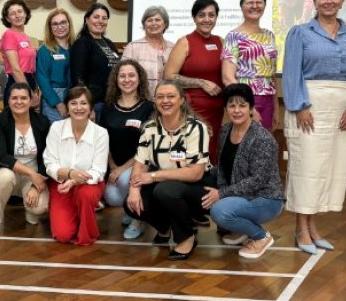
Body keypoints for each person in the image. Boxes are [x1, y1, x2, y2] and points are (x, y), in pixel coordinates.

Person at [282, 0, 346, 254]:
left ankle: (314, 227)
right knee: (307, 168)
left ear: (343, 1)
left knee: (328, 169)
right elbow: (291, 72)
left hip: (341, 110)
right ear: (315, 2)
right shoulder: (300, 33)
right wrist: (300, 106)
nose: (328, 1)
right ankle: (301, 229)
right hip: (309, 105)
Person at [124, 80, 210, 261]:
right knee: (131, 204)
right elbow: (140, 163)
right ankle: (165, 226)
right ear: (154, 101)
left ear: (182, 100)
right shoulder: (149, 128)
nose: (165, 101)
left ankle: (186, 236)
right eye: (160, 97)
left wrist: (154, 176)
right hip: (165, 184)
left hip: (197, 186)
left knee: (166, 190)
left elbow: (196, 173)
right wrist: (133, 190)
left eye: (171, 96)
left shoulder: (196, 128)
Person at [202, 83, 284, 259]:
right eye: (232, 105)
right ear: (226, 109)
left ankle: (261, 237)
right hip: (241, 194)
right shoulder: (225, 131)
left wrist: (222, 194)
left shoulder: (262, 139)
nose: (237, 110)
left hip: (265, 198)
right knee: (200, 186)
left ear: (252, 109)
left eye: (242, 105)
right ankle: (241, 229)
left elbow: (258, 181)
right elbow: (224, 167)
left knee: (219, 211)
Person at [43, 86, 108, 246]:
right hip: (61, 184)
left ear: (91, 107)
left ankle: (88, 230)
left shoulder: (101, 133)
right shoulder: (56, 128)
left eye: (83, 103)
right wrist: (70, 175)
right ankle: (76, 211)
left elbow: (99, 170)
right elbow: (49, 163)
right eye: (73, 103)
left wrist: (75, 180)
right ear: (67, 106)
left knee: (85, 195)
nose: (79, 108)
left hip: (89, 184)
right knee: (62, 235)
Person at [0, 82, 51, 239]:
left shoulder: (42, 122)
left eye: (23, 98)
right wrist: (31, 173)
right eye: (14, 98)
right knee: (4, 177)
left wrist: (36, 183)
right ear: (8, 101)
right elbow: (0, 155)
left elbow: (49, 155)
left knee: (40, 208)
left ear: (31, 100)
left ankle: (30, 209)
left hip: (33, 177)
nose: (19, 102)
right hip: (10, 173)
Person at [165, 0, 223, 166]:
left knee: (211, 153)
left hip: (217, 111)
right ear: (194, 18)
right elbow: (169, 76)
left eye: (211, 15)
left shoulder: (220, 41)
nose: (207, 19)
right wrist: (201, 83)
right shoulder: (185, 42)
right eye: (201, 15)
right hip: (191, 111)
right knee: (191, 153)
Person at [99, 59, 154, 240]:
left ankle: (138, 219)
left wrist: (122, 169)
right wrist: (113, 165)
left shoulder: (148, 107)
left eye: (131, 75)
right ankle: (129, 206)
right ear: (116, 80)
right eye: (122, 76)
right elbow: (103, 139)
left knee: (124, 181)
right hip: (114, 164)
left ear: (139, 79)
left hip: (140, 163)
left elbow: (147, 146)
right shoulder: (108, 107)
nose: (127, 80)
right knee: (112, 197)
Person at [221, 0, 280, 131]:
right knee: (246, 145)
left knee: (263, 145)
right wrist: (248, 108)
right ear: (242, 6)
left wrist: (276, 107)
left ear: (265, 5)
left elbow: (271, 75)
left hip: (268, 99)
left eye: (259, 2)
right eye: (250, 3)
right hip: (245, 100)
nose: (255, 6)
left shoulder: (269, 35)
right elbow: (227, 77)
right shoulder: (233, 36)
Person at [70, 3, 120, 122]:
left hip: (110, 102)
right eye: (96, 17)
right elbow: (78, 78)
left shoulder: (109, 43)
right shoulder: (82, 43)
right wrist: (87, 106)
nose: (100, 21)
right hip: (94, 104)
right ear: (87, 20)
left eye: (104, 18)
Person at [36, 8, 74, 122]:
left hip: (74, 96)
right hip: (53, 97)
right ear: (50, 28)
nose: (60, 27)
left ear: (69, 24)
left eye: (63, 22)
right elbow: (42, 79)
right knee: (56, 134)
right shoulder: (44, 50)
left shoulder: (76, 47)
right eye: (55, 24)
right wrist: (58, 103)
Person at [122, 6, 175, 89]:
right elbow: (123, 76)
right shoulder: (132, 47)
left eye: (157, 20)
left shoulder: (173, 48)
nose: (153, 23)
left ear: (165, 24)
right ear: (144, 25)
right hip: (141, 99)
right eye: (149, 20)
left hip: (168, 99)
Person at [0, 0, 37, 105]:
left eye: (20, 11)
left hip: (29, 81)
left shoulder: (26, 37)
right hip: (17, 84)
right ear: (7, 18)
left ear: (25, 13)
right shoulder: (9, 35)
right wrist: (29, 93)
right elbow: (16, 69)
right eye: (12, 13)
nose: (17, 15)